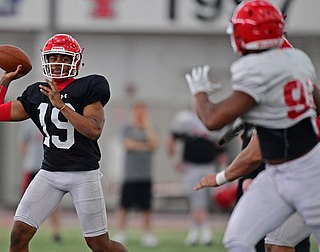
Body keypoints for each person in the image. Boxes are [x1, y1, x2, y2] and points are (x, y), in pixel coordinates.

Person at [185, 0, 320, 251]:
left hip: (308, 174)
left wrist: (200, 93)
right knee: (239, 240)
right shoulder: (298, 59)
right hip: (277, 173)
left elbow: (213, 121)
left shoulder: (252, 68)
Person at [1, 33, 128, 252]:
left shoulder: (89, 86)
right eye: (53, 58)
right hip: (49, 172)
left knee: (100, 245)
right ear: (45, 61)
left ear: (75, 61)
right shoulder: (36, 92)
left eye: (64, 58)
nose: (57, 63)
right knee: (18, 237)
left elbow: (94, 130)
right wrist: (5, 80)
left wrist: (61, 105)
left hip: (84, 173)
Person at [167, 105, 229, 246]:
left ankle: (195, 231)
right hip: (192, 166)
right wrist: (174, 160)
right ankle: (204, 231)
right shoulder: (186, 119)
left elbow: (221, 144)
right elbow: (171, 139)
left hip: (209, 166)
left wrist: (223, 166)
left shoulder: (213, 119)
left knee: (206, 199)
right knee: (196, 199)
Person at [113, 101, 159, 247]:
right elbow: (128, 144)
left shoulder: (150, 128)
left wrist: (146, 127)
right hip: (131, 175)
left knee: (146, 207)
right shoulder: (128, 128)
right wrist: (145, 146)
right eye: (138, 111)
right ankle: (121, 232)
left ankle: (147, 234)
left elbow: (154, 144)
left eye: (143, 111)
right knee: (124, 206)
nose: (140, 114)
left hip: (146, 175)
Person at [19, 120, 62, 243]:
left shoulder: (51, 119)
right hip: (32, 168)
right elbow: (23, 146)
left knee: (53, 202)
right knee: (26, 203)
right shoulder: (27, 124)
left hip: (48, 167)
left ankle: (56, 232)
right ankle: (23, 231)